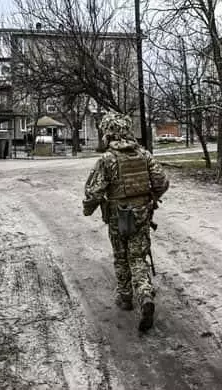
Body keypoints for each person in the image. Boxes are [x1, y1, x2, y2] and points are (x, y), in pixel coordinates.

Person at [82, 113, 169, 332]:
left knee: (121, 257)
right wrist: (151, 198)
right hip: (141, 214)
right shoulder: (144, 155)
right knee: (138, 257)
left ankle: (125, 297)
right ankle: (145, 294)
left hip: (117, 215)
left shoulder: (107, 159)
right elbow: (162, 181)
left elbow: (94, 191)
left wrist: (88, 208)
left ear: (108, 132)